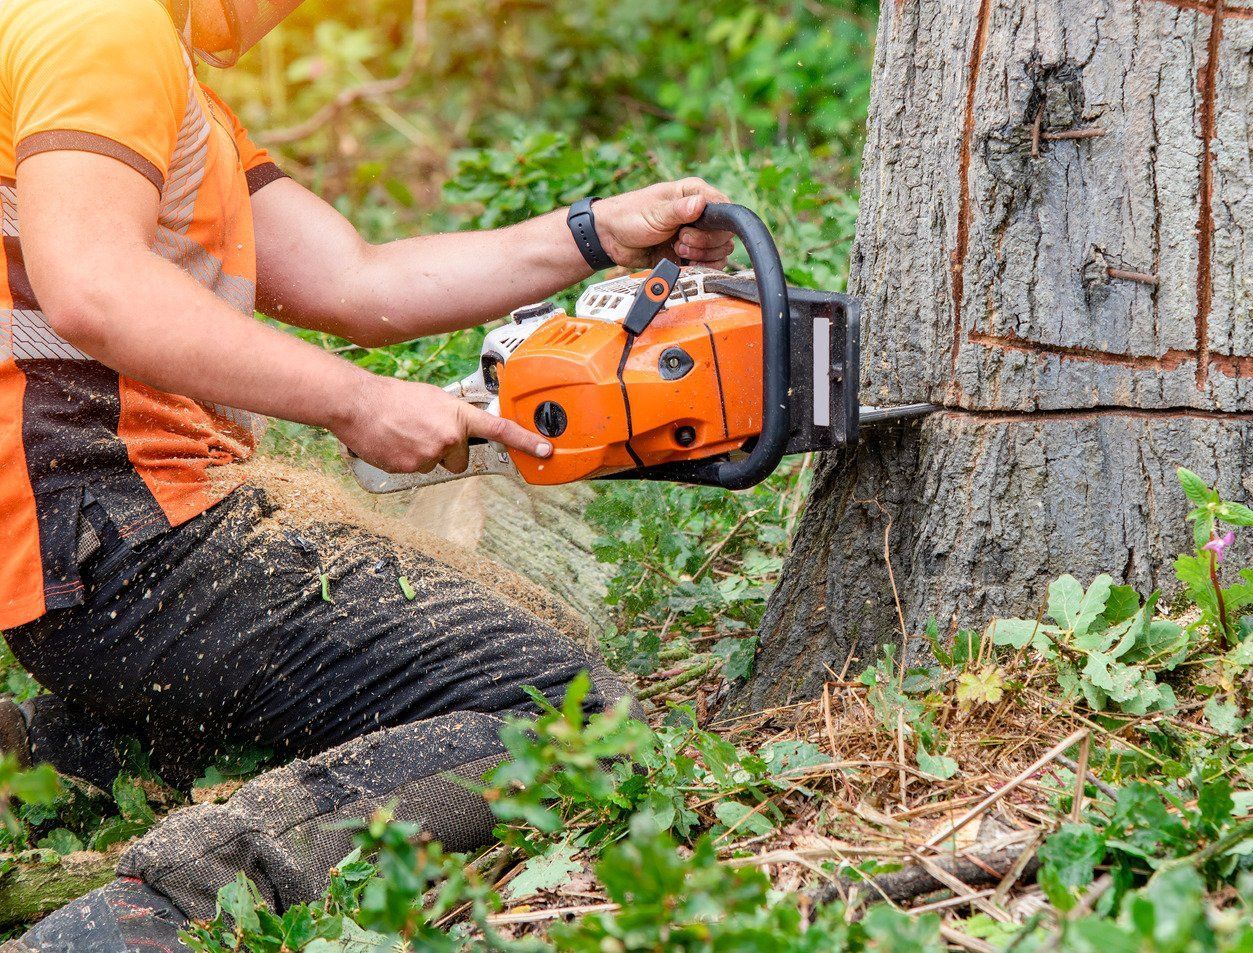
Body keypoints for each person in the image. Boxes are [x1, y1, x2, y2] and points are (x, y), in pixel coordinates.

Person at [0, 0, 735, 947]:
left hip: (86, 547)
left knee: (323, 709)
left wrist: (595, 233)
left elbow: (358, 281)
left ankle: (50, 758)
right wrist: (357, 403)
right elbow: (92, 284)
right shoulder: (102, 27)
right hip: (122, 535)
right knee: (565, 711)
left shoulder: (152, 71)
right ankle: (149, 915)